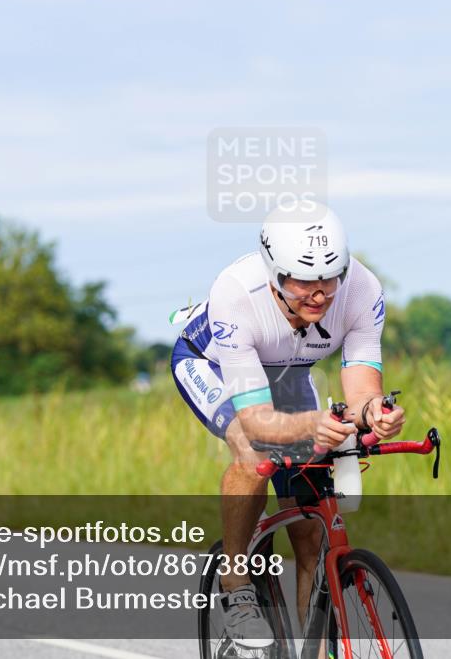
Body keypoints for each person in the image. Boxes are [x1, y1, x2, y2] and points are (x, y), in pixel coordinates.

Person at [170, 202, 407, 650]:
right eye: (303, 281)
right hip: (213, 367)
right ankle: (236, 582)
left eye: (329, 278)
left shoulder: (361, 289)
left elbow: (360, 392)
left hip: (290, 374)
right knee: (253, 448)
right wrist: (315, 425)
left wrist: (374, 412)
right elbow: (257, 419)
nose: (319, 294)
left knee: (309, 531)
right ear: (274, 272)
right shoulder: (236, 292)